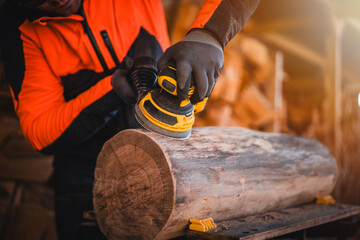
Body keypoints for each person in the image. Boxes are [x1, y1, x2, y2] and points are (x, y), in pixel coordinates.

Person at [0, 0, 259, 239]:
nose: (58, 0)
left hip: (164, 145)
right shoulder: (16, 23)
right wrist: (107, 91)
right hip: (86, 171)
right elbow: (39, 131)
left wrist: (211, 33)